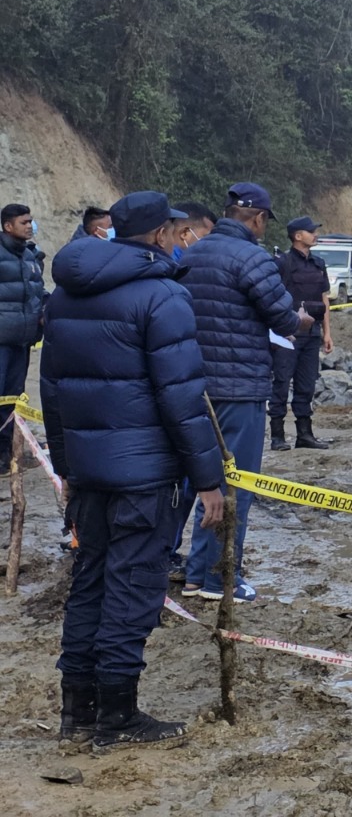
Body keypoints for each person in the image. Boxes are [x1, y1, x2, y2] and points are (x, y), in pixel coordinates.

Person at [40, 191, 224, 752]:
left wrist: (68, 466)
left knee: (89, 583)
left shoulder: (66, 293)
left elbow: (51, 390)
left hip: (91, 472)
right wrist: (209, 479)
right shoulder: (163, 295)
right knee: (132, 588)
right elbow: (182, 398)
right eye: (174, 229)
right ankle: (117, 719)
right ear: (162, 234)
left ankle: (78, 713)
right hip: (147, 477)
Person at [180, 183, 309, 603]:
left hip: (195, 387)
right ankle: (221, 580)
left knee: (203, 481)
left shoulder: (191, 252)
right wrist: (302, 319)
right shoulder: (253, 257)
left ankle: (198, 575)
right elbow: (281, 317)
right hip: (239, 387)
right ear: (257, 220)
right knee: (236, 487)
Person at [267, 216, 333, 452]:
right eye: (311, 231)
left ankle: (304, 434)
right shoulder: (282, 262)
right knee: (282, 384)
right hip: (288, 334)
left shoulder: (319, 263)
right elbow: (273, 297)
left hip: (312, 334)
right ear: (297, 236)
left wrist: (327, 332)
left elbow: (324, 299)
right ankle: (277, 436)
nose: (315, 234)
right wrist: (278, 331)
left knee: (306, 385)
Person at [1, 202, 47, 474]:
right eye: (24, 222)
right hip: (1, 341)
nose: (30, 226)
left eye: (31, 221)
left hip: (23, 340)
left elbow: (37, 293)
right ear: (8, 226)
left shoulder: (31, 256)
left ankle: (5, 453)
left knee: (11, 400)